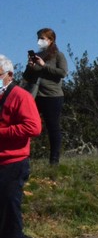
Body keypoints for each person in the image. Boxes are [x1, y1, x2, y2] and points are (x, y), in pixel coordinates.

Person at [0, 54, 42, 238]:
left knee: (9, 209)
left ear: (9, 74)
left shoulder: (20, 96)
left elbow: (33, 128)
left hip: (14, 161)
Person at [22, 27, 68, 164]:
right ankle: (24, 158)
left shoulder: (59, 55)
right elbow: (26, 77)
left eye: (42, 38)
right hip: (36, 95)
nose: (39, 41)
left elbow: (63, 73)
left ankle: (54, 161)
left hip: (53, 96)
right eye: (38, 38)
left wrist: (44, 66)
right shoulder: (36, 55)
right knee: (28, 125)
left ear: (50, 40)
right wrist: (30, 67)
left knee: (52, 126)